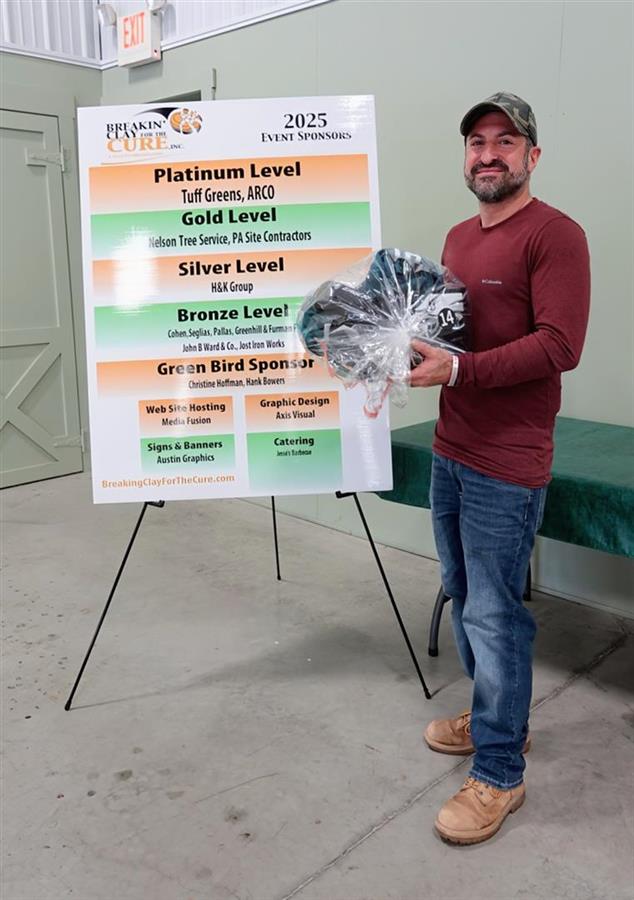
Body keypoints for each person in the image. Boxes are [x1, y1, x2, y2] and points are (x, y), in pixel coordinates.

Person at [409, 91, 591, 845]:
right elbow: (451, 335)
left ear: (532, 156)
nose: (488, 154)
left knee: (494, 612)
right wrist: (397, 346)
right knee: (463, 595)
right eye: (477, 142)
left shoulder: (556, 235)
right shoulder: (457, 236)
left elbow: (559, 344)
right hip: (451, 448)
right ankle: (497, 714)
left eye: (505, 141)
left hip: (507, 463)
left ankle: (500, 771)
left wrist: (456, 372)